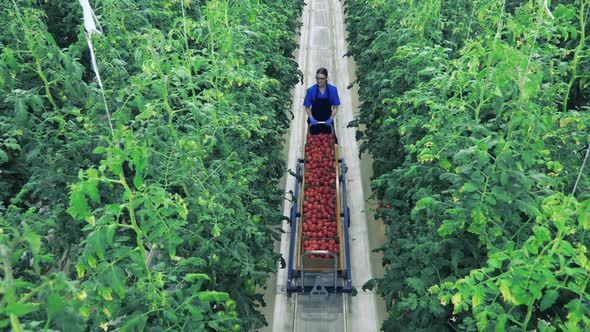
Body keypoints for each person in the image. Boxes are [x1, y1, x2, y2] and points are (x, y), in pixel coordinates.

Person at [303, 68, 341, 135]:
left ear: (326, 78)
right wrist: (311, 118)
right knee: (313, 142)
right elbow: (307, 107)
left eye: (322, 78)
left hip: (327, 121)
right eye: (317, 78)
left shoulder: (333, 90)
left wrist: (331, 118)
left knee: (333, 143)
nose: (319, 81)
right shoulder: (311, 90)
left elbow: (335, 107)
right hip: (314, 121)